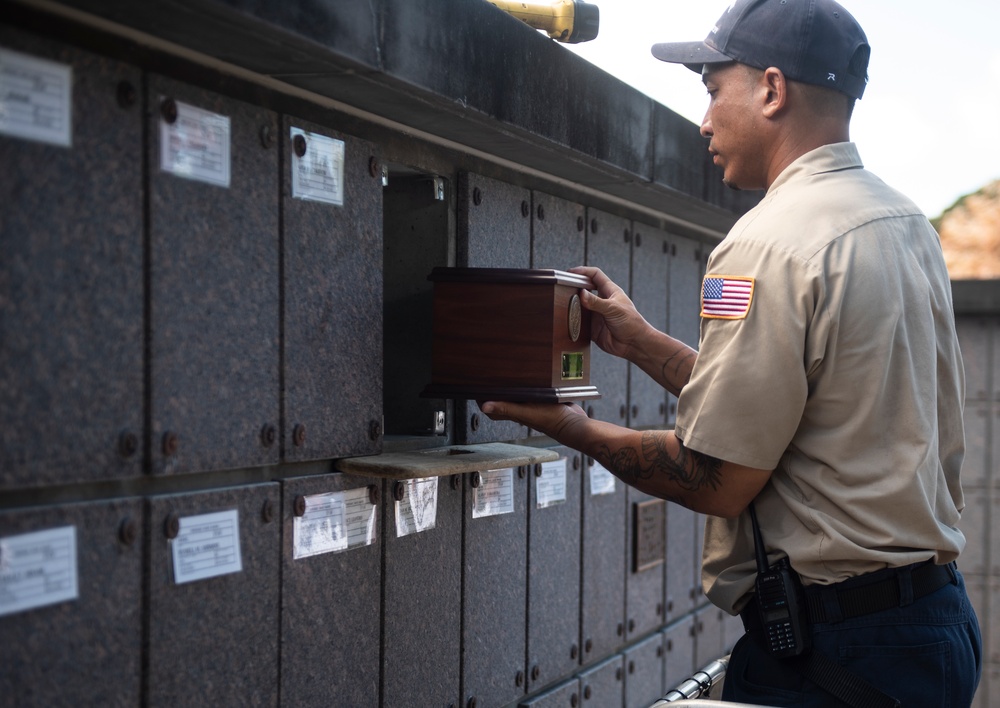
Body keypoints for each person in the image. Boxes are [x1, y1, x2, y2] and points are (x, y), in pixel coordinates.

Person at [480, 0, 983, 705]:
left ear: (772, 90)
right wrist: (647, 346)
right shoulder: (903, 224)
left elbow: (715, 477)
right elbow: (802, 414)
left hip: (841, 651)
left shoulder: (766, 243)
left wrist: (572, 428)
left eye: (714, 90)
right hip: (932, 626)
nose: (705, 121)